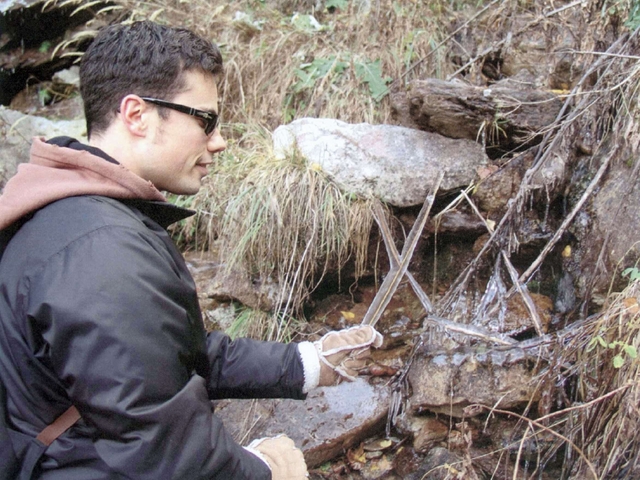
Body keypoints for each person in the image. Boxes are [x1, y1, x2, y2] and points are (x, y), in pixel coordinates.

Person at [0, 21, 382, 479]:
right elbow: (160, 448)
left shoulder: (76, 215)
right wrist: (264, 470)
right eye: (206, 120)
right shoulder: (101, 251)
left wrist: (308, 363)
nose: (218, 141)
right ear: (137, 115)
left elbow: (170, 358)